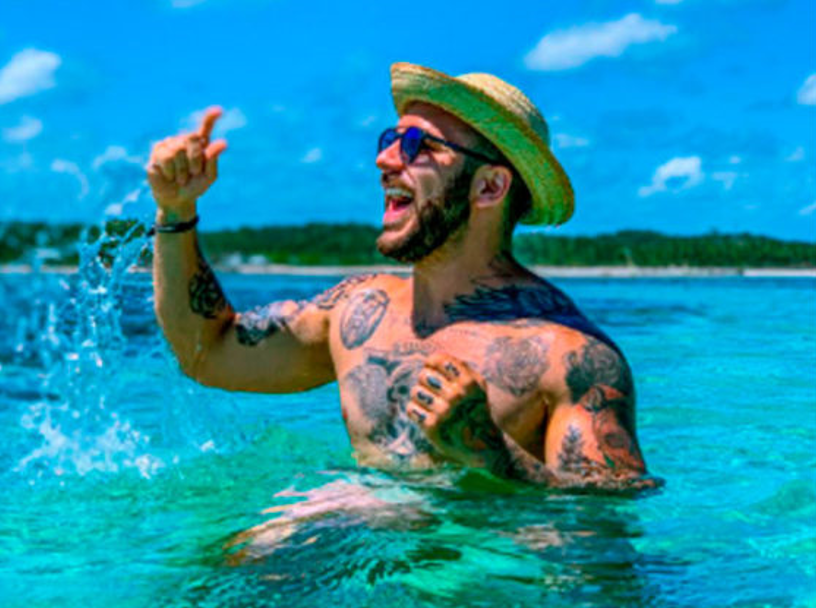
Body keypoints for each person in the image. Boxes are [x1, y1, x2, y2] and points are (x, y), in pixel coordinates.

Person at [147, 62, 655, 491]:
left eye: (418, 145)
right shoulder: (356, 310)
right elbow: (205, 352)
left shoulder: (570, 358)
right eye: (391, 139)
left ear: (489, 187)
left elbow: (606, 528)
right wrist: (176, 211)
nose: (384, 159)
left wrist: (491, 454)